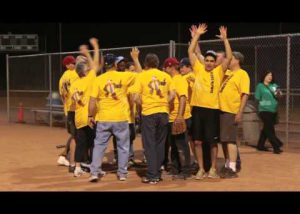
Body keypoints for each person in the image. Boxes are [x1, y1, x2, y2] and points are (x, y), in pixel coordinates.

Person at [188, 23, 232, 179]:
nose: (208, 62)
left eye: (211, 60)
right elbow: (190, 51)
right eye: (206, 60)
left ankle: (213, 168)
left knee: (212, 142)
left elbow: (229, 56)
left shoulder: (219, 71)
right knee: (198, 142)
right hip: (198, 110)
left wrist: (225, 40)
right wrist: (197, 36)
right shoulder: (198, 69)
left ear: (215, 63)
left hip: (212, 110)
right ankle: (201, 169)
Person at [88, 51, 137, 182]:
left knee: (99, 146)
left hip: (103, 118)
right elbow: (140, 73)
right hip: (121, 118)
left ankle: (94, 172)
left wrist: (90, 115)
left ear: (104, 65)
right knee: (123, 147)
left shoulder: (98, 80)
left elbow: (92, 101)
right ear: (115, 64)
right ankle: (122, 173)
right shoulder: (125, 76)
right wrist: (135, 59)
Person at [128, 53, 174, 184]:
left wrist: (144, 103)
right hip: (163, 112)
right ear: (158, 64)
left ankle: (152, 175)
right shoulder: (165, 76)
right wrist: (164, 102)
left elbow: (135, 96)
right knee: (160, 144)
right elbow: (173, 94)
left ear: (146, 64)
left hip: (149, 113)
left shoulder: (142, 76)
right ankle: (157, 172)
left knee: (149, 144)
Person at [70, 38, 100, 177]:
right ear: (84, 72)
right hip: (90, 116)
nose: (89, 68)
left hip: (79, 118)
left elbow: (75, 97)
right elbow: (95, 64)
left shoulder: (75, 83)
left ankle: (77, 167)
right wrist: (93, 48)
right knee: (94, 142)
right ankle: (94, 167)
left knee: (81, 143)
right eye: (86, 68)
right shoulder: (89, 79)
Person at [219, 52, 250, 178]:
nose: (228, 61)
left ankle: (232, 167)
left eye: (230, 59)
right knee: (224, 140)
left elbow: (245, 94)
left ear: (237, 60)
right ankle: (227, 164)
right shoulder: (228, 74)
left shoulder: (242, 74)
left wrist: (240, 112)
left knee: (230, 139)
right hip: (221, 110)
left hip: (231, 110)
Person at [164, 57, 192, 180]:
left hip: (180, 117)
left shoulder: (179, 80)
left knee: (182, 145)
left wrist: (180, 116)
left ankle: (186, 170)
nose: (165, 70)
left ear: (170, 67)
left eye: (166, 68)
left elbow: (183, 98)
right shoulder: (172, 80)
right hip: (172, 117)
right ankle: (175, 168)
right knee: (174, 145)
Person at [57, 55, 79, 173]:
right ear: (67, 65)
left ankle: (64, 156)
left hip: (69, 109)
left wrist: (65, 107)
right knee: (76, 136)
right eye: (72, 63)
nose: (74, 65)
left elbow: (62, 96)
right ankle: (69, 158)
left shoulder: (62, 78)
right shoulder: (74, 74)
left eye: (75, 63)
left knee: (75, 135)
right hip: (76, 109)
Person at [255, 71, 283, 154]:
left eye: (271, 75)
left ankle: (260, 145)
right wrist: (263, 104)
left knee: (267, 128)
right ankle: (276, 145)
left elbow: (280, 95)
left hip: (273, 110)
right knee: (270, 129)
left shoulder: (274, 86)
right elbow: (257, 98)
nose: (270, 77)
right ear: (264, 76)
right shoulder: (260, 86)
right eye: (268, 75)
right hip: (264, 110)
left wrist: (278, 93)